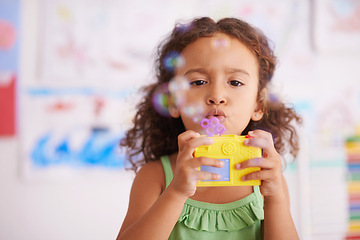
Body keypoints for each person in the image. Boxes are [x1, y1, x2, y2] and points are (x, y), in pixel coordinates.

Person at [116, 17, 302, 240]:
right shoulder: (156, 177)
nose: (216, 96)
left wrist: (275, 198)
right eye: (198, 82)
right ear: (174, 101)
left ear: (258, 105)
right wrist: (176, 192)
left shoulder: (266, 178)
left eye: (235, 82)